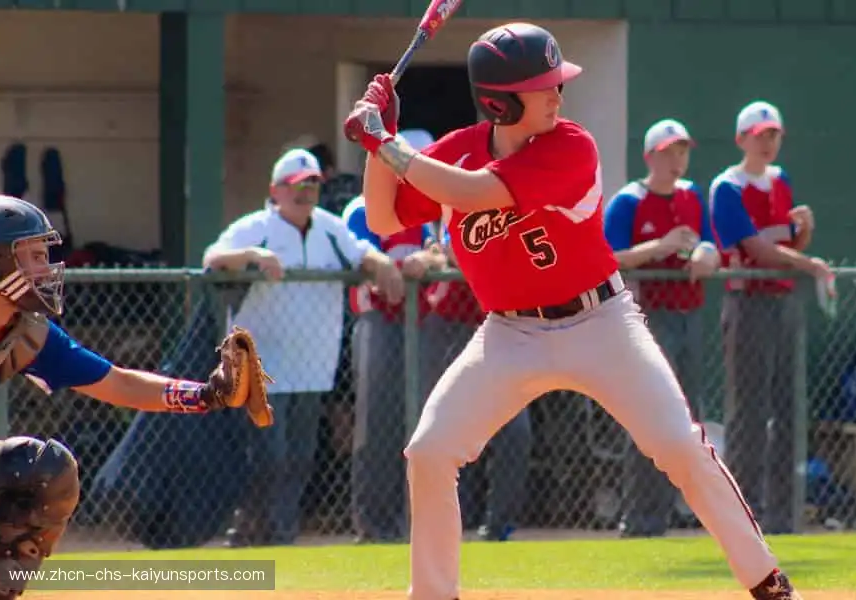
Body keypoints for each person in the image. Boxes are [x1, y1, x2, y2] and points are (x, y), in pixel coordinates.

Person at [344, 21, 803, 600]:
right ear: (500, 101)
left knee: (680, 446)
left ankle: (768, 583)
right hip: (510, 333)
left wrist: (385, 143)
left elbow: (474, 192)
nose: (558, 94)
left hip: (600, 324)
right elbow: (384, 217)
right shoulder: (456, 149)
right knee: (430, 451)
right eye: (544, 86)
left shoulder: (571, 146)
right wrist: (378, 143)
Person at [0, 194, 267, 599]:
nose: (44, 269)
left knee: (46, 469)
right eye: (30, 256)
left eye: (43, 255)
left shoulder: (23, 332)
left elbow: (119, 383)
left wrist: (208, 395)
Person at [204, 148, 404, 547]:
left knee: (300, 455)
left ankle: (282, 531)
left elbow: (360, 252)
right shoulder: (255, 227)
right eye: (296, 185)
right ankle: (249, 529)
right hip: (260, 364)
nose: (305, 191)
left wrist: (382, 264)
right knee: (268, 454)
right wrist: (253, 255)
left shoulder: (330, 227)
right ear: (275, 190)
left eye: (312, 184)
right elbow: (213, 257)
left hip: (312, 364)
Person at [707, 100, 832, 534]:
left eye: (774, 135)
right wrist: (809, 263)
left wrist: (805, 232)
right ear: (741, 139)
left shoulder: (781, 181)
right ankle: (744, 511)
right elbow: (758, 251)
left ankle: (782, 514)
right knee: (749, 413)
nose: (768, 143)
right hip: (748, 304)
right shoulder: (728, 186)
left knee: (787, 410)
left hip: (782, 303)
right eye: (759, 136)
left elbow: (787, 247)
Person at [602, 118, 719, 537]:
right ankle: (640, 517)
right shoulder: (629, 201)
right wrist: (661, 246)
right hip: (646, 319)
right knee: (648, 414)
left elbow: (710, 242)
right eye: (669, 152)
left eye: (682, 151)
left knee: (686, 416)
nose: (677, 159)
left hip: (688, 315)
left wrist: (706, 254)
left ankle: (676, 511)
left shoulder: (692, 195)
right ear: (650, 156)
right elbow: (607, 257)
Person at [421, 222, 533, 543]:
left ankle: (499, 527)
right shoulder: (456, 208)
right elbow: (455, 252)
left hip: (502, 328)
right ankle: (443, 525)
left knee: (516, 432)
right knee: (442, 432)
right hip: (449, 328)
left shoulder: (515, 213)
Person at [342, 191, 439, 544]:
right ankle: (374, 526)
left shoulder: (420, 211)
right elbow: (361, 254)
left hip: (418, 322)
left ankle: (411, 523)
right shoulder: (362, 208)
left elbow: (437, 251)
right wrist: (389, 266)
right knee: (377, 423)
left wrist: (425, 259)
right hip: (377, 319)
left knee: (417, 426)